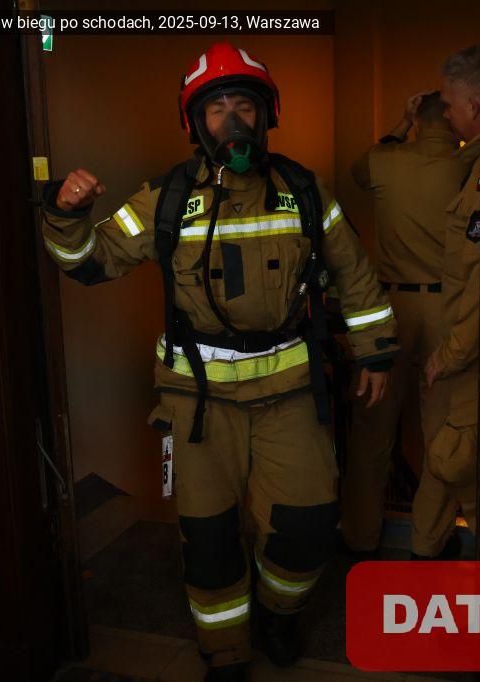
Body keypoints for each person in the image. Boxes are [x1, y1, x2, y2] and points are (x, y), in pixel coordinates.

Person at [38, 42, 398, 681]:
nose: (232, 120)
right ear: (195, 122)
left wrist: (375, 351)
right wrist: (67, 214)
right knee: (208, 540)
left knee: (308, 525)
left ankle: (279, 613)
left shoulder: (304, 191)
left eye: (244, 105)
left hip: (289, 391)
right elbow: (89, 262)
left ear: (267, 114)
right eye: (216, 108)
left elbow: (353, 272)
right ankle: (226, 650)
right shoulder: (166, 199)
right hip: (198, 402)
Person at [341, 91, 474, 559]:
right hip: (447, 308)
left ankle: (359, 536)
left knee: (371, 430)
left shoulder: (385, 162)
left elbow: (358, 172)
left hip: (389, 308)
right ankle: (428, 541)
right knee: (443, 432)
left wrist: (400, 124)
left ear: (418, 118)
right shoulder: (466, 167)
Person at [418, 46, 480, 560]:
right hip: (461, 346)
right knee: (447, 455)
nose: (445, 114)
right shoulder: (473, 165)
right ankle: (426, 557)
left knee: (455, 458)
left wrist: (452, 354)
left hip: (469, 354)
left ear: (474, 106)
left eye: (449, 104)